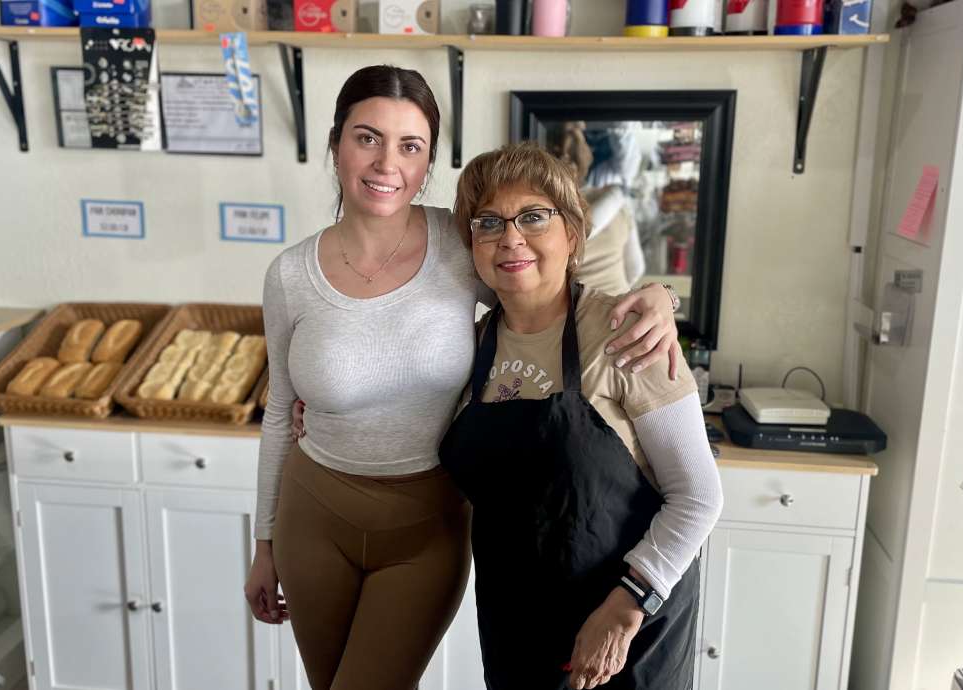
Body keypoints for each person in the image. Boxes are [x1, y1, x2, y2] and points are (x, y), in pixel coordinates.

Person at [243, 65, 684, 690]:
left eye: (410, 145)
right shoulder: (289, 275)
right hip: (311, 515)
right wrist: (263, 543)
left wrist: (662, 295)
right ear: (337, 143)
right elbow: (279, 408)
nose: (385, 162)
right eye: (367, 137)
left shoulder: (461, 245)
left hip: (426, 526)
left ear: (427, 164)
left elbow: (553, 284)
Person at [439, 142, 723, 690]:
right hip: (517, 628)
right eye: (489, 221)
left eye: (533, 217)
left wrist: (627, 605)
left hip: (628, 627)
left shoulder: (627, 335)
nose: (510, 237)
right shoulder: (468, 347)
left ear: (572, 234)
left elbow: (698, 495)